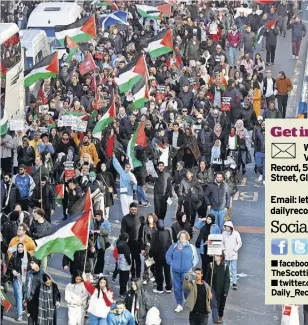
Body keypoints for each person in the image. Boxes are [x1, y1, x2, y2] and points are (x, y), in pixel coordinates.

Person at [166, 230, 199, 312]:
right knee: (177, 288)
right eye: (181, 237)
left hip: (186, 271)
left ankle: (188, 300)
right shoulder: (174, 246)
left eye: (184, 237)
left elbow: (196, 258)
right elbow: (168, 255)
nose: (182, 238)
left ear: (187, 237)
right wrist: (171, 263)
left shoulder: (191, 247)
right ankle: (179, 304)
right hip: (175, 271)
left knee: (186, 288)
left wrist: (191, 266)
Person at [8, 242, 31, 321]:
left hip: (26, 279)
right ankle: (19, 314)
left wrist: (27, 272)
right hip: (16, 278)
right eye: (18, 247)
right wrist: (12, 271)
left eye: (21, 247)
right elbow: (9, 266)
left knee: (25, 295)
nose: (20, 248)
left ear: (24, 248)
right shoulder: (14, 256)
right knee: (18, 295)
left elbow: (31, 266)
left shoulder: (27, 255)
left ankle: (25, 307)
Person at [149, 219, 172, 295]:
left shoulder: (155, 234)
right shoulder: (167, 232)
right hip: (167, 256)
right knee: (167, 272)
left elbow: (153, 247)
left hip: (158, 257)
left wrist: (150, 254)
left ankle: (160, 288)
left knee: (159, 272)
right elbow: (170, 243)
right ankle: (168, 287)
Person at [206, 255, 230, 324]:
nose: (215, 257)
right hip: (213, 288)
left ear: (221, 257)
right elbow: (207, 278)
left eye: (217, 255)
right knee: (214, 305)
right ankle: (215, 322)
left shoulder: (225, 266)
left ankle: (220, 317)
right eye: (215, 255)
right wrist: (207, 289)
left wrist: (225, 290)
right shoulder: (211, 265)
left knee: (221, 305)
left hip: (222, 290)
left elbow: (227, 279)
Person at [195, 214, 221, 279]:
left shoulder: (215, 227)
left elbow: (218, 238)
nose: (208, 220)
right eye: (208, 218)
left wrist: (209, 241)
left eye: (210, 219)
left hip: (211, 248)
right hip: (203, 248)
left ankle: (210, 279)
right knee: (204, 265)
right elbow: (196, 226)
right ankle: (203, 279)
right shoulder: (203, 224)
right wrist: (202, 220)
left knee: (211, 265)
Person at [121, 203, 142, 279]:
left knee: (138, 259)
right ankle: (133, 275)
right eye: (132, 210)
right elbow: (123, 232)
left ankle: (138, 274)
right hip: (129, 243)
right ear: (129, 209)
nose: (133, 211)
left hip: (138, 243)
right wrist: (124, 242)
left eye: (135, 210)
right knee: (131, 260)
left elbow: (143, 230)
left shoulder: (140, 217)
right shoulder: (125, 218)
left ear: (137, 209)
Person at [23, 257, 44, 325]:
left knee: (37, 320)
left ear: (37, 264)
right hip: (30, 300)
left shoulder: (43, 274)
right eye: (30, 262)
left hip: (39, 301)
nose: (30, 264)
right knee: (30, 320)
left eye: (32, 263)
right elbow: (26, 286)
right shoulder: (29, 273)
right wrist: (25, 298)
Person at [90, 210, 111, 275]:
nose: (97, 218)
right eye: (96, 216)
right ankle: (91, 272)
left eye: (99, 216)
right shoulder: (93, 221)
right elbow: (89, 229)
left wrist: (101, 231)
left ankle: (99, 272)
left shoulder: (106, 222)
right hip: (94, 242)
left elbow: (108, 232)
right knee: (92, 258)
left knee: (101, 258)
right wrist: (91, 231)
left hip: (102, 243)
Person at [222, 220, 242, 290]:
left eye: (227, 227)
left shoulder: (236, 233)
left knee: (234, 268)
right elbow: (222, 242)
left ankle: (234, 283)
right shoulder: (224, 233)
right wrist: (224, 250)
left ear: (230, 227)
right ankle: (225, 281)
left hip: (233, 254)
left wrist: (235, 250)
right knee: (225, 268)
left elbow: (239, 243)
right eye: (225, 227)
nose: (226, 228)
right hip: (226, 254)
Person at [140, 213, 157, 285]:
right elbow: (143, 238)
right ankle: (146, 277)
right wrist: (142, 248)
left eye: (151, 218)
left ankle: (155, 276)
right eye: (148, 218)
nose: (149, 219)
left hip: (155, 248)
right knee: (147, 263)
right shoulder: (145, 227)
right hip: (148, 247)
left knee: (154, 263)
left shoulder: (156, 228)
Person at [117, 232, 131, 297]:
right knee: (125, 279)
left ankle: (121, 292)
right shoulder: (125, 246)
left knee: (121, 279)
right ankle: (123, 292)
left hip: (120, 264)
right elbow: (127, 256)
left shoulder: (118, 244)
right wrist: (129, 262)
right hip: (125, 265)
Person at [254, 121, 266, 185]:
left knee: (265, 167)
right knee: (258, 165)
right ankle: (261, 174)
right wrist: (256, 150)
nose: (264, 126)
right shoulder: (258, 133)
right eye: (263, 125)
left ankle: (264, 179)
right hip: (259, 152)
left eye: (265, 125)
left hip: (267, 152)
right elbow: (255, 142)